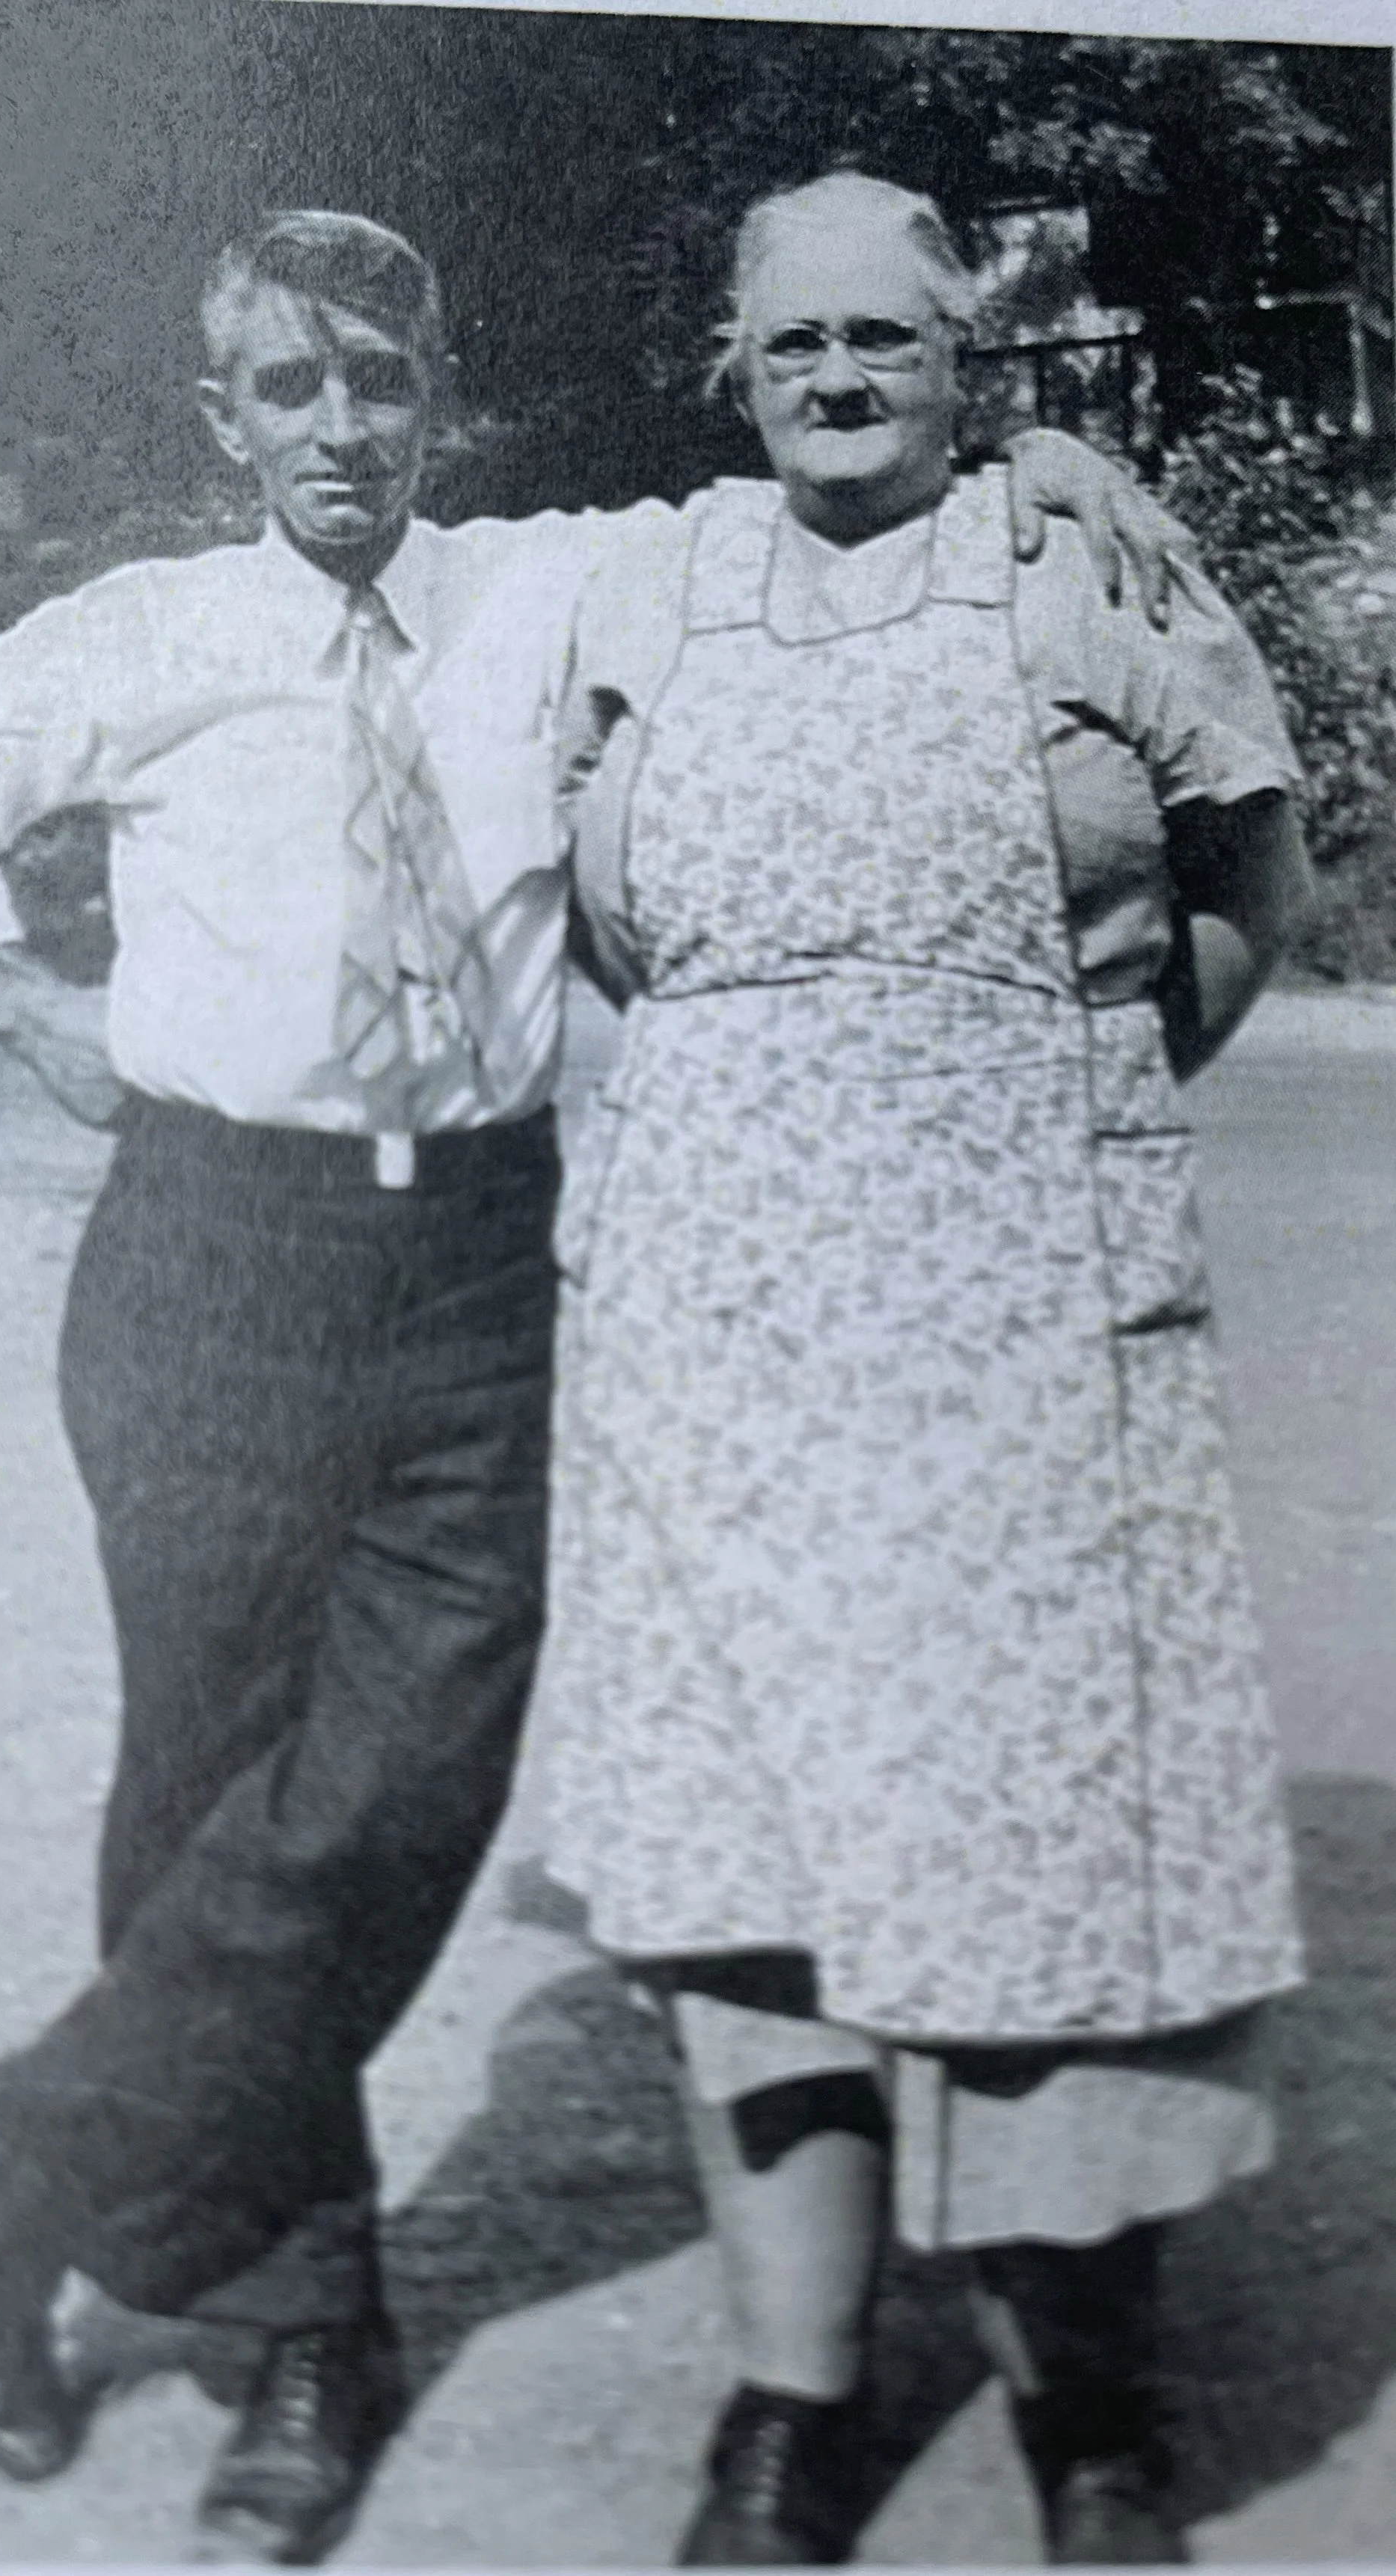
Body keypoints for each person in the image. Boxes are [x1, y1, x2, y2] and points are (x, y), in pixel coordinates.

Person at [0, 206, 1177, 2563]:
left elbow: (827, 460)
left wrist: (1049, 442)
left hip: (470, 1250)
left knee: (398, 1793)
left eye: (377, 382)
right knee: (214, 1781)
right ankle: (309, 2332)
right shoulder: (144, 631)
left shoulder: (557, 586)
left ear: (434, 391)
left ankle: (24, 2136)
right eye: (286, 389)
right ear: (216, 416)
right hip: (210, 1253)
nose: (337, 430)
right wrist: (36, 1017)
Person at [531, 170, 1314, 2567]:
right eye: (798, 347)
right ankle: (786, 2403)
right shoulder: (643, 570)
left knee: (1048, 1847)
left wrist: (1045, 1103)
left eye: (890, 339)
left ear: (972, 363)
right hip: (715, 1313)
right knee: (749, 1860)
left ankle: (1085, 2400)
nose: (842, 379)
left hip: (1024, 1314)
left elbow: (1243, 869)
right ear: (736, 369)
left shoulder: (1086, 559)